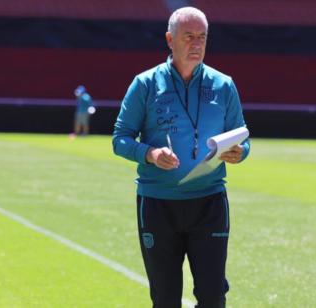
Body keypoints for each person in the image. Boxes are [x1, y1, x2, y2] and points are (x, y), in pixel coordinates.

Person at [112, 7, 250, 308]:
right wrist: (149, 153)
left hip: (209, 202)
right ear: (169, 39)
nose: (197, 44)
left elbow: (242, 135)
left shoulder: (223, 85)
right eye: (189, 37)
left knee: (213, 296)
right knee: (165, 298)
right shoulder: (145, 84)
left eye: (202, 37)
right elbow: (120, 139)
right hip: (158, 203)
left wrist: (240, 153)